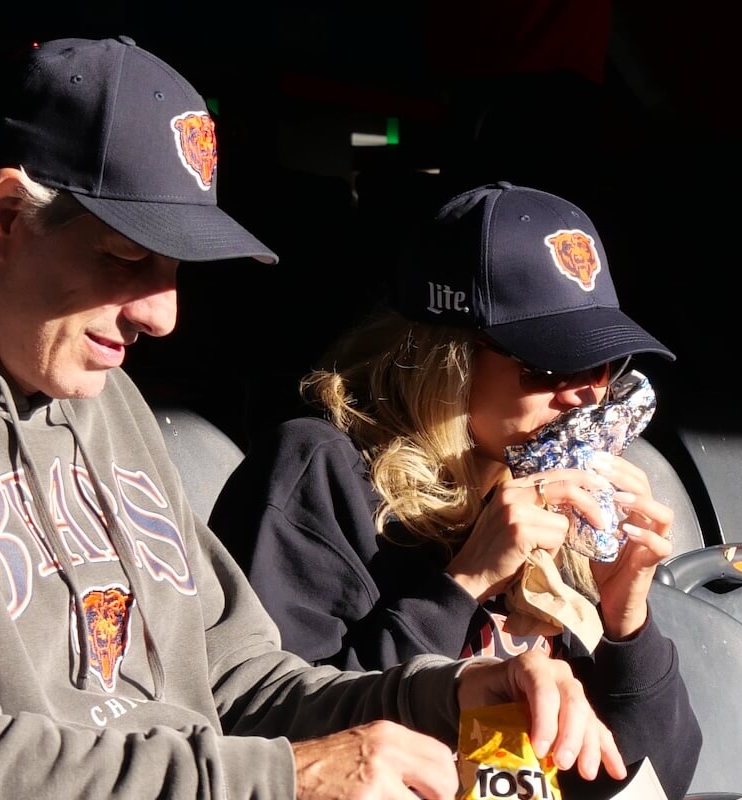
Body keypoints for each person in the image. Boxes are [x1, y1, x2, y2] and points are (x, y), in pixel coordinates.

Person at [0, 36, 625, 799]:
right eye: (125, 259)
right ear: (1, 217)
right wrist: (277, 783)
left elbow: (238, 684)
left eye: (175, 271)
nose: (162, 314)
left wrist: (448, 694)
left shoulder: (103, 401)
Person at [214, 181, 700, 798]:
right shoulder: (320, 471)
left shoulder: (566, 501)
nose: (587, 394)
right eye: (548, 366)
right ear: (451, 356)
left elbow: (658, 779)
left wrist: (626, 619)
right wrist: (462, 585)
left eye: (602, 365)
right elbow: (286, 739)